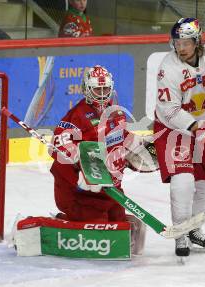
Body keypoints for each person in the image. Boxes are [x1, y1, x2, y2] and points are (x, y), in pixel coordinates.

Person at [49, 65, 148, 252]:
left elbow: (121, 139)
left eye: (105, 89)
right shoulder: (76, 116)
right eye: (97, 89)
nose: (102, 94)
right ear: (87, 89)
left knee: (117, 219)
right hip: (80, 193)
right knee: (101, 226)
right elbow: (57, 148)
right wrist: (81, 171)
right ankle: (63, 221)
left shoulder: (115, 112)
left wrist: (138, 149)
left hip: (109, 188)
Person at [153, 18, 205, 258]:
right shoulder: (168, 67)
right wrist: (196, 127)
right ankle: (180, 233)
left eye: (186, 43)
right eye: (177, 42)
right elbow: (168, 110)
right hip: (172, 129)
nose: (180, 48)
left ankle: (194, 229)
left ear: (197, 41)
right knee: (182, 181)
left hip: (200, 125)